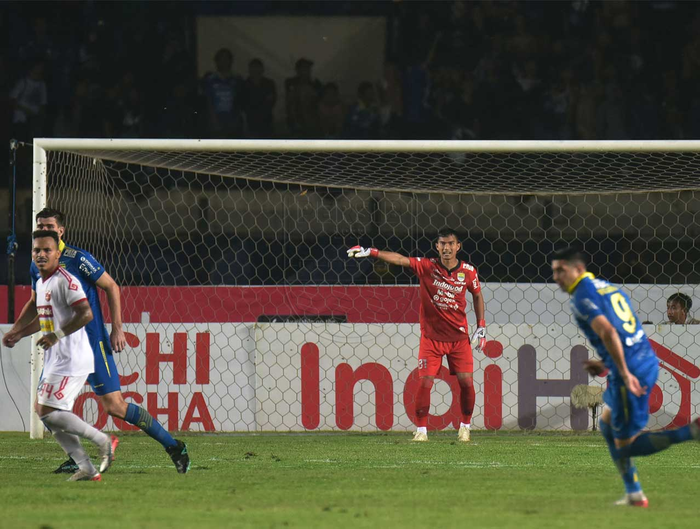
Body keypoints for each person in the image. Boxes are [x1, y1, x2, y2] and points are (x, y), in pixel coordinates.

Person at [2, 208, 190, 474]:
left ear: (61, 231)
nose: (45, 231)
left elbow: (111, 286)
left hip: (91, 343)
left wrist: (117, 329)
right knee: (46, 408)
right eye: (40, 226)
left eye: (49, 227)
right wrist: (18, 330)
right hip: (61, 347)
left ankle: (174, 446)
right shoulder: (37, 263)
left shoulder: (78, 259)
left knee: (115, 407)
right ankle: (77, 457)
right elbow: (36, 302)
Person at [551, 247, 700, 507]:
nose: (556, 277)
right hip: (643, 359)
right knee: (608, 424)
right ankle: (634, 493)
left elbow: (608, 333)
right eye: (553, 271)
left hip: (630, 370)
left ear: (577, 269)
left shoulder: (582, 296)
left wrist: (621, 371)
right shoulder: (607, 287)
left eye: (560, 271)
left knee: (626, 445)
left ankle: (691, 432)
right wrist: (606, 362)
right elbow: (625, 331)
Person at [347, 228, 486, 442]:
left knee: (466, 383)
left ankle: (465, 427)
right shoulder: (427, 266)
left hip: (459, 339)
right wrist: (371, 252)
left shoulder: (468, 271)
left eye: (450, 243)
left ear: (458, 246)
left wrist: (481, 325)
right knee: (425, 383)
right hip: (431, 339)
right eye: (442, 243)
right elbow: (401, 260)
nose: (446, 247)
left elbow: (477, 295)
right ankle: (421, 430)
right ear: (437, 246)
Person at [15, 230, 118, 481]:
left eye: (47, 250)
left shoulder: (66, 280)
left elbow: (86, 314)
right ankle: (87, 468)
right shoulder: (40, 283)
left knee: (49, 411)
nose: (41, 255)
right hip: (57, 357)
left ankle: (102, 440)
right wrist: (18, 333)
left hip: (73, 356)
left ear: (57, 254)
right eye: (36, 250)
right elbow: (43, 320)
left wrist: (56, 336)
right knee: (43, 411)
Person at [242, 58, 276, 138]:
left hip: (267, 122)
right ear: (249, 69)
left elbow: (271, 102)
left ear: (262, 69)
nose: (255, 70)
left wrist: (255, 101)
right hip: (251, 123)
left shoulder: (269, 84)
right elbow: (244, 104)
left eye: (257, 67)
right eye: (253, 67)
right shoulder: (244, 85)